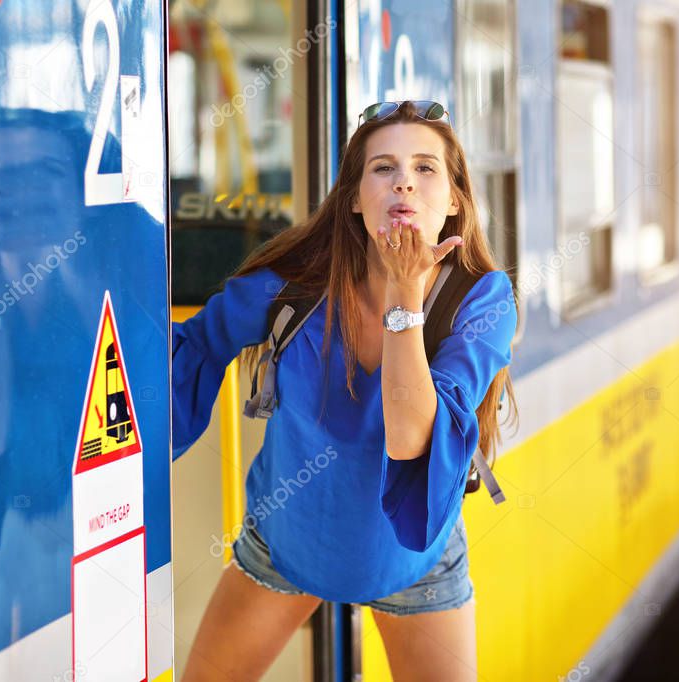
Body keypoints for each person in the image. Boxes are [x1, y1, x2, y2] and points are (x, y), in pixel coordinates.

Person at [174, 100, 519, 681]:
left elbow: (411, 442)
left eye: (425, 168)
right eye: (383, 167)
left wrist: (405, 298)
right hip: (284, 544)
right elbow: (193, 349)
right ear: (356, 199)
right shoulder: (294, 287)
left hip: (415, 560)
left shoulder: (481, 301)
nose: (404, 180)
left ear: (455, 200)